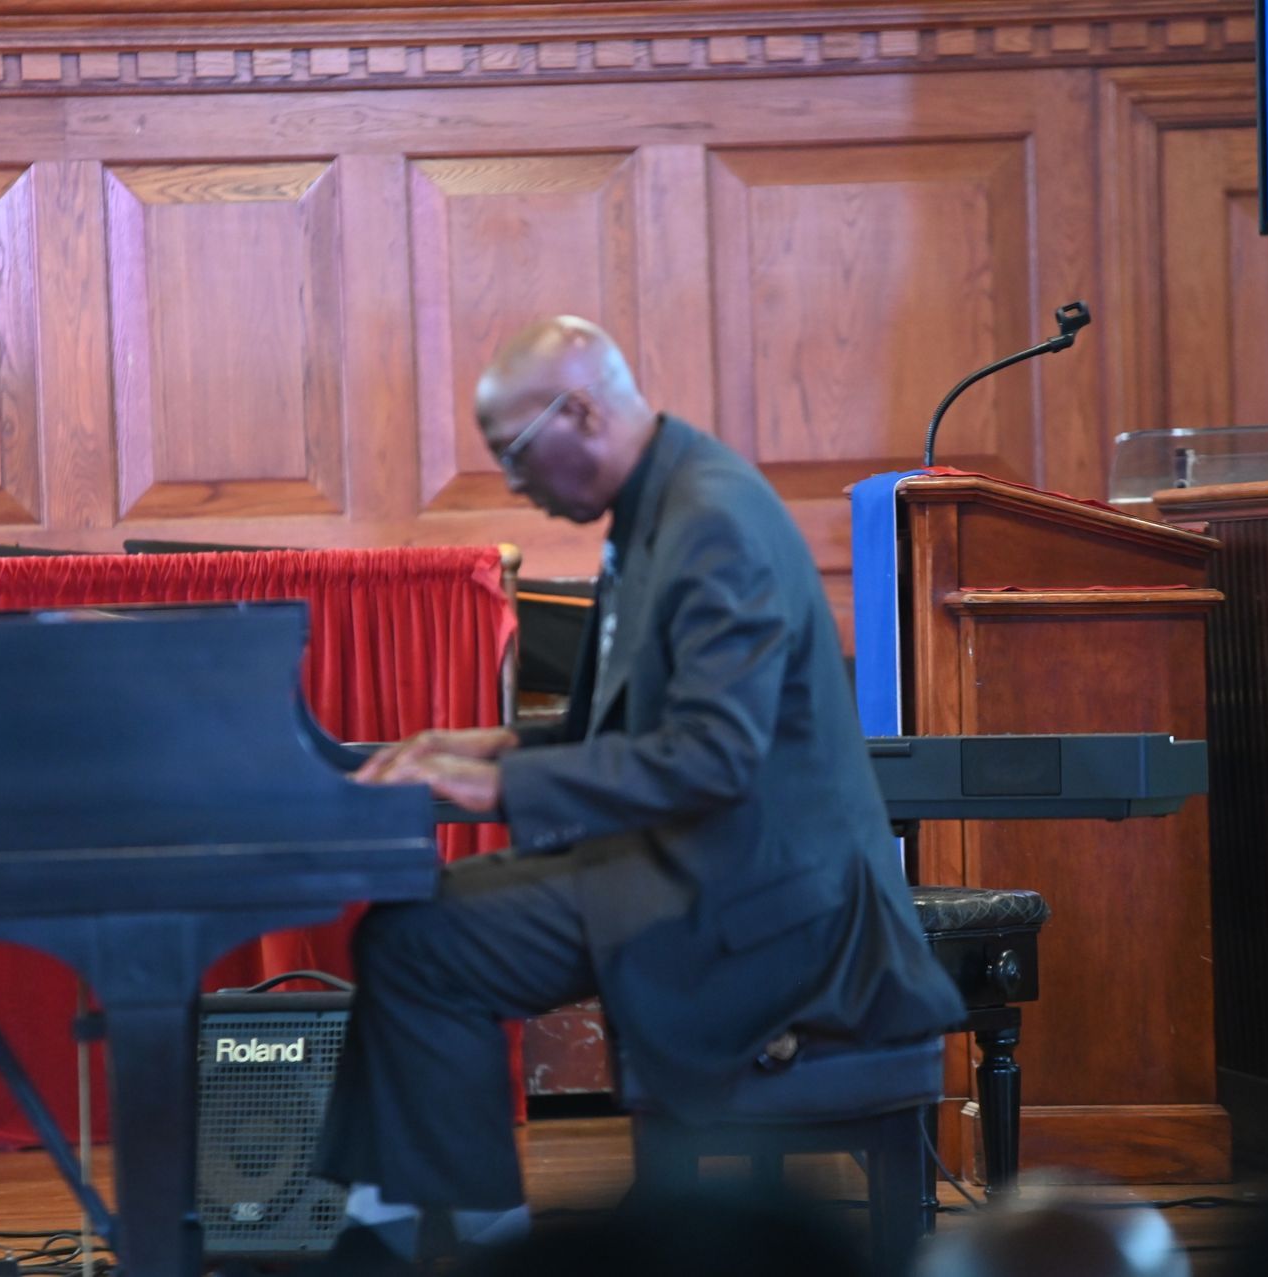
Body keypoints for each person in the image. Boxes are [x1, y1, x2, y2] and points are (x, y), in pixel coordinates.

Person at [313, 315, 964, 1266]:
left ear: (580, 412)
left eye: (513, 451)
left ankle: (444, 1240)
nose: (511, 481)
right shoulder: (660, 506)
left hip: (770, 908)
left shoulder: (712, 521)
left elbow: (712, 756)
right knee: (410, 925)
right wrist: (489, 744)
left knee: (422, 943)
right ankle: (405, 1226)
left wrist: (497, 785)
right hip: (704, 866)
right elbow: (632, 733)